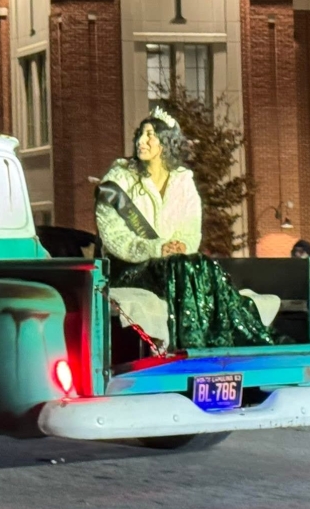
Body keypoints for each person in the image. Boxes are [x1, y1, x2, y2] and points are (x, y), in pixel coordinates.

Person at [94, 105, 275, 349]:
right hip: (129, 269)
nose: (142, 141)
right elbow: (114, 237)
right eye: (141, 134)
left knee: (200, 263)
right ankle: (200, 342)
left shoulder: (183, 182)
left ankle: (219, 338)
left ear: (166, 142)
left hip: (176, 265)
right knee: (183, 267)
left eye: (151, 135)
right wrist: (158, 248)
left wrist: (180, 246)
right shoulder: (117, 181)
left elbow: (191, 230)